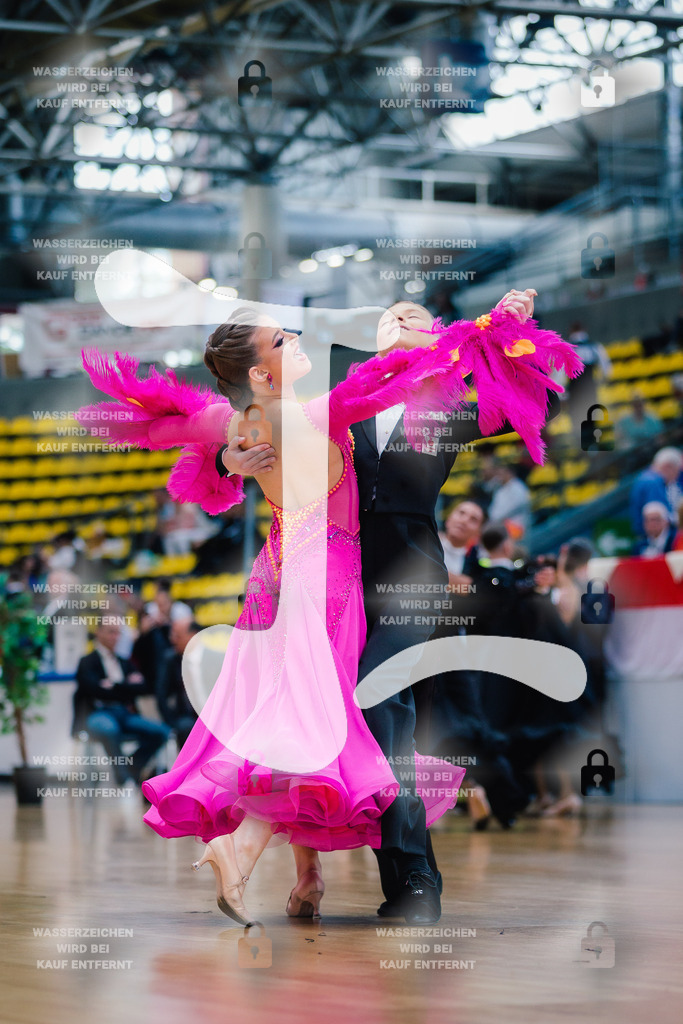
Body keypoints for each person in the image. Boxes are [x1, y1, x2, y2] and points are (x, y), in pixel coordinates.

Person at [79, 293, 580, 926]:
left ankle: (409, 875)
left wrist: (504, 331)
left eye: (418, 317)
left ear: (437, 334)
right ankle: (334, 869)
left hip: (404, 583)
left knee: (374, 700)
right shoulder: (340, 389)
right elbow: (241, 423)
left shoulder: (447, 400)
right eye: (392, 314)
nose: (403, 320)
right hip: (314, 581)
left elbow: (544, 398)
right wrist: (227, 459)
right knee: (318, 710)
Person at [73, 622, 170, 785]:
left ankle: (131, 767)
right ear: (99, 632)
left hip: (124, 713)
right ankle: (122, 777)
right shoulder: (87, 662)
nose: (115, 637)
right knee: (109, 729)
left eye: (118, 633)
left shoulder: (124, 662)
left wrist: (115, 685)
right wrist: (125, 686)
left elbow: (142, 687)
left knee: (161, 732)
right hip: (97, 713)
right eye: (111, 632)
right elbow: (93, 690)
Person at [156, 618, 202, 746]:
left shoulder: (212, 657)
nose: (172, 639)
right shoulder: (170, 659)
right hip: (186, 716)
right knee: (185, 728)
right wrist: (171, 720)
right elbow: (161, 694)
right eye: (172, 635)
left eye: (177, 636)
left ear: (193, 636)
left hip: (212, 714)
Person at [629, 447, 683, 537]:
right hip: (652, 537)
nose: (677, 476)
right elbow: (658, 514)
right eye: (677, 470)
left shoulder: (646, 477)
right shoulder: (653, 482)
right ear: (668, 466)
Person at [439, 500, 485, 588]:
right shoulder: (424, 544)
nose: (464, 521)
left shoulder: (475, 567)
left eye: (473, 519)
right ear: (448, 519)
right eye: (461, 513)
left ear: (478, 533)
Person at [487, 461, 532, 536]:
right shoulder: (500, 490)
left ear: (509, 473)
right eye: (498, 474)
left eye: (501, 473)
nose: (499, 476)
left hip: (516, 526)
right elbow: (494, 510)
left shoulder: (518, 487)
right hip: (499, 525)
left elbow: (518, 506)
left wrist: (498, 520)